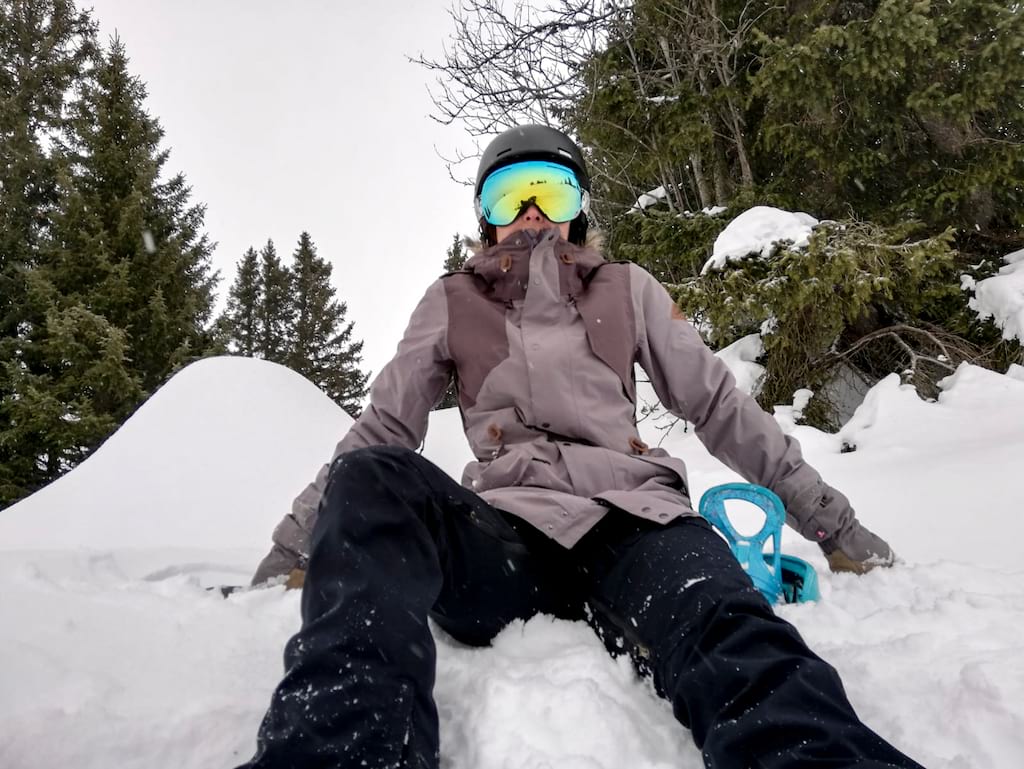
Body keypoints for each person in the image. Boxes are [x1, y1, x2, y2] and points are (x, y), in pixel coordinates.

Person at [237, 125, 920, 769]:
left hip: (638, 525)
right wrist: (294, 547)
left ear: (579, 209)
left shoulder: (627, 289)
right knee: (374, 473)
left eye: (552, 192)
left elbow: (717, 403)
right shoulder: (452, 301)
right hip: (506, 543)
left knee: (730, 627)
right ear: (485, 217)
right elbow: (384, 427)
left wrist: (833, 523)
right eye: (510, 195)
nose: (532, 212)